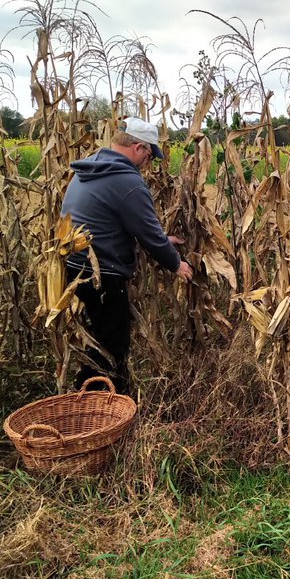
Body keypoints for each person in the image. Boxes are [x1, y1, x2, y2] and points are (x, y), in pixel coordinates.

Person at [60, 117, 193, 394]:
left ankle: (89, 395)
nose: (148, 162)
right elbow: (148, 235)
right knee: (112, 346)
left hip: (75, 268)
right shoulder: (127, 181)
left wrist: (159, 239)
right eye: (149, 154)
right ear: (138, 147)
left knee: (96, 338)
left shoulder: (91, 167)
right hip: (102, 275)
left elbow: (107, 217)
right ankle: (106, 406)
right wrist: (175, 263)